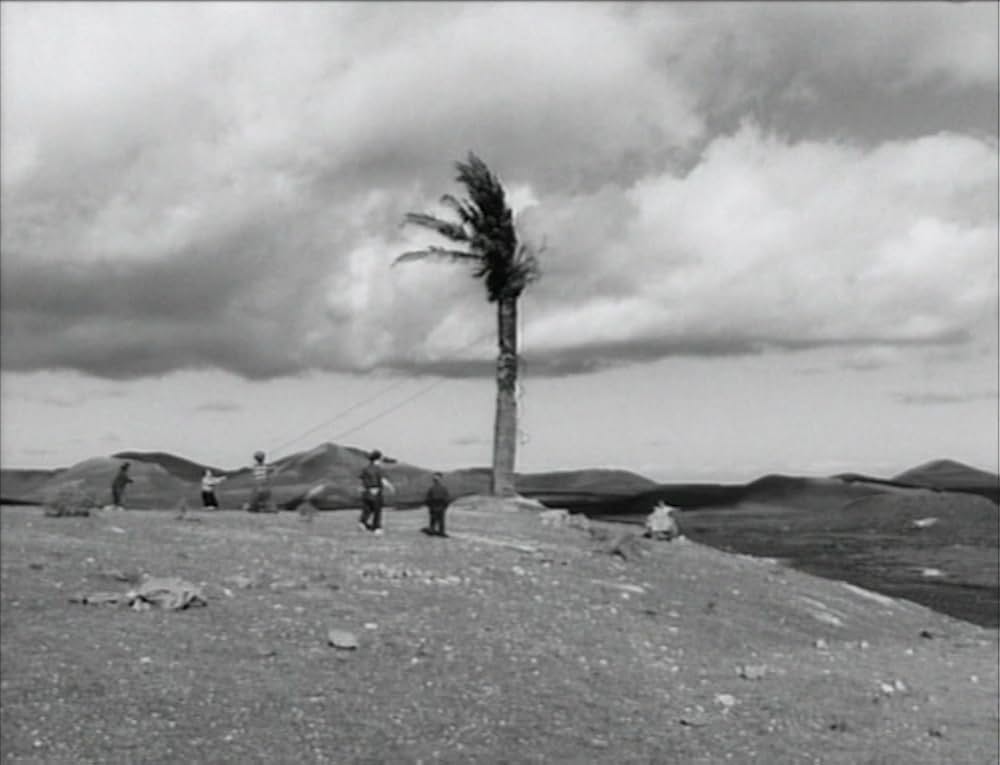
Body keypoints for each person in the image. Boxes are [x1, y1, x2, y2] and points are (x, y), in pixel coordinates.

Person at [358, 450, 394, 535]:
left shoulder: (365, 469)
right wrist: (390, 487)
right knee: (377, 511)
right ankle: (377, 528)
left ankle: (362, 523)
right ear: (378, 459)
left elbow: (361, 480)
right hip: (376, 492)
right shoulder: (378, 469)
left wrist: (363, 489)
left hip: (366, 492)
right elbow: (382, 480)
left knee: (367, 509)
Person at [423, 472, 452, 538]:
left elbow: (427, 499)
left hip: (433, 506)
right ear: (440, 480)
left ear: (434, 481)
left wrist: (430, 507)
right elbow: (447, 499)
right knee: (441, 520)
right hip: (441, 506)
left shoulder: (431, 489)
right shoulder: (444, 488)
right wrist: (445, 507)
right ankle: (441, 532)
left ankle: (432, 531)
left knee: (433, 520)